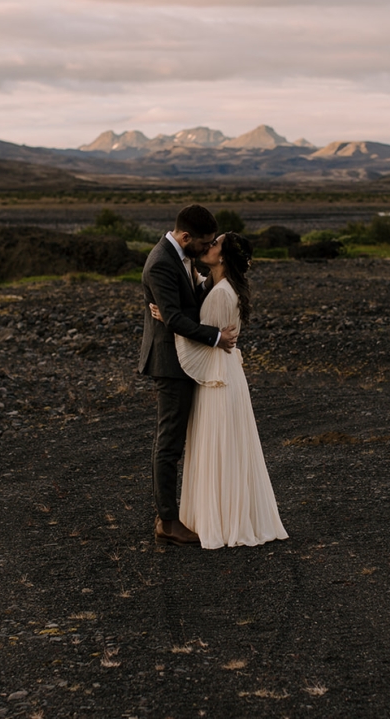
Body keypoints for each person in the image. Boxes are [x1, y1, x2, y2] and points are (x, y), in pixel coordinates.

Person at [155, 232, 288, 549]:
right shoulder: (219, 287)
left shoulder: (220, 294)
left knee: (219, 446)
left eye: (215, 243)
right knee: (227, 446)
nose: (208, 245)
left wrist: (169, 318)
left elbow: (202, 339)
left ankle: (222, 521)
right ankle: (227, 515)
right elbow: (206, 323)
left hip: (217, 379)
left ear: (224, 256)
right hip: (227, 375)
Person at [138, 204, 239, 546]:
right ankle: (167, 521)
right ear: (186, 237)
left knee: (183, 439)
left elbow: (186, 308)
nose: (206, 248)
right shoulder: (161, 263)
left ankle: (183, 512)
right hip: (170, 362)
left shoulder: (181, 256)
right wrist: (216, 337)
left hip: (185, 358)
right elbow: (176, 318)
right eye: (204, 242)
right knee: (169, 442)